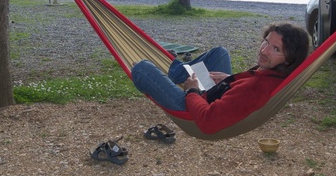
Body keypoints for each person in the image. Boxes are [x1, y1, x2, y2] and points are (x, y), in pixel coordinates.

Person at [131, 22, 309, 135]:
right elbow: (243, 90)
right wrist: (230, 80)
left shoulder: (255, 88)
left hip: (194, 110)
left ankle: (167, 73)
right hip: (219, 92)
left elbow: (208, 122)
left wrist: (192, 91)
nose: (263, 50)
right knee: (219, 53)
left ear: (289, 59)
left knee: (141, 69)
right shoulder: (274, 74)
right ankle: (173, 70)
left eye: (276, 49)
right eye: (266, 42)